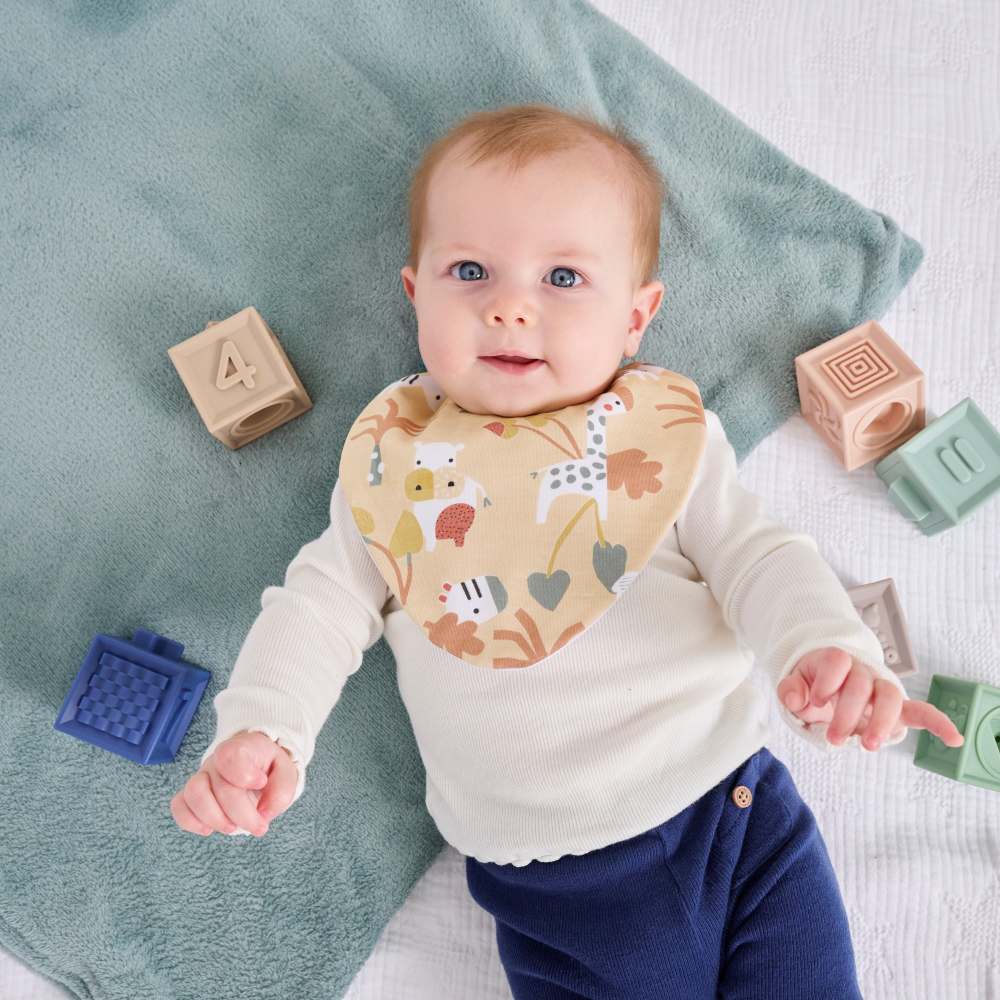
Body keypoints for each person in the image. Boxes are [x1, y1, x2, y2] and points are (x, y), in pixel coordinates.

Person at [170, 103, 963, 999]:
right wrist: (263, 727)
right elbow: (315, 608)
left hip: (733, 816)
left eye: (563, 277)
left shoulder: (661, 442)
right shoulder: (400, 471)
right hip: (560, 889)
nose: (510, 305)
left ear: (636, 316)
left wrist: (828, 648)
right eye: (469, 271)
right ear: (414, 293)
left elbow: (758, 557)